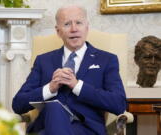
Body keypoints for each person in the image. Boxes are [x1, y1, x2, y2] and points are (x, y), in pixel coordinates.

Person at [12, 5, 126, 135]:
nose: (74, 29)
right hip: (46, 127)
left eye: (79, 23)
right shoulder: (43, 61)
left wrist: (77, 86)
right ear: (58, 31)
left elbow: (118, 104)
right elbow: (18, 104)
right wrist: (50, 88)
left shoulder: (106, 60)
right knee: (54, 107)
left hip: (86, 129)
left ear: (87, 27)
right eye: (67, 24)